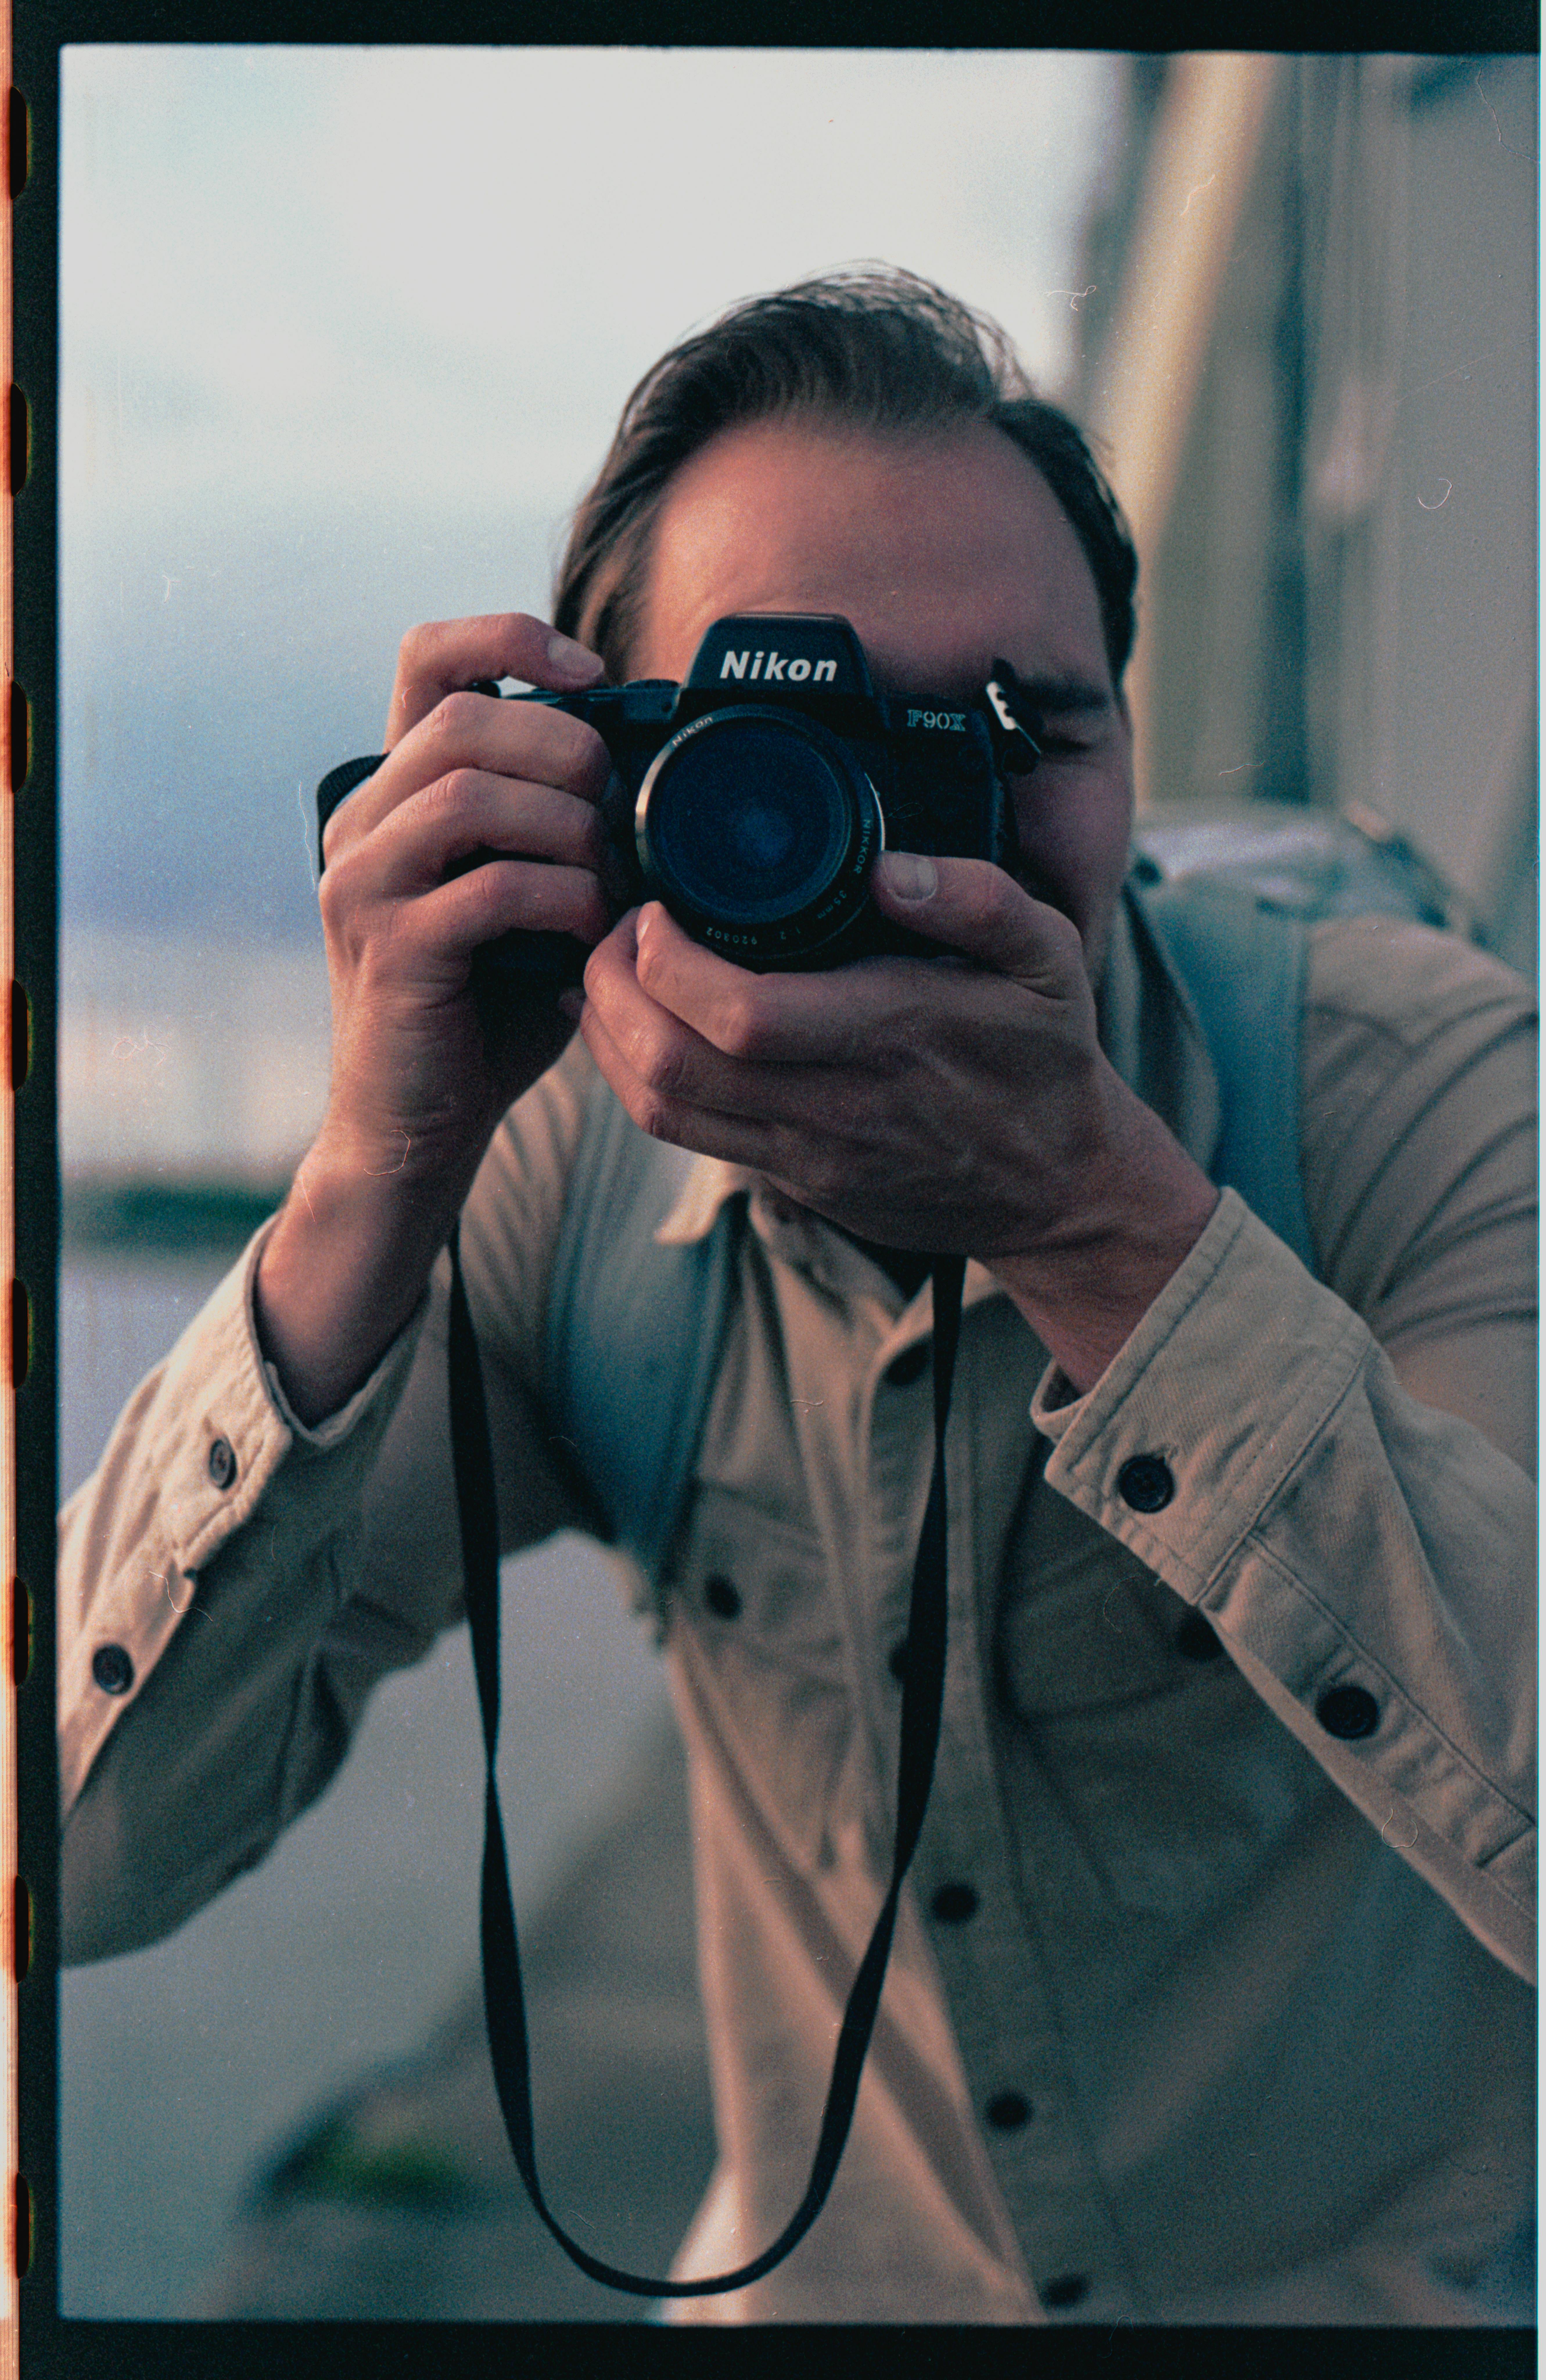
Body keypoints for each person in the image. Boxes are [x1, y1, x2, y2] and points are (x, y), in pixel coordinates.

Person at [58, 270, 1535, 2325]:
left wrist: (1107, 1231)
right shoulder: (555, 1176)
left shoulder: (1428, 1094)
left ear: (1131, 743)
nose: (912, 824)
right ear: (606, 785)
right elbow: (76, 1870)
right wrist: (376, 1170)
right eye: (792, 741)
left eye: (1019, 732)